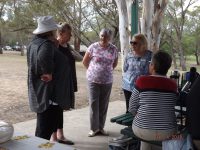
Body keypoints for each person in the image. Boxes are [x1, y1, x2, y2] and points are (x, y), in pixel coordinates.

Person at [129, 51, 178, 150]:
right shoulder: (173, 85)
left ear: (153, 66)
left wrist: (139, 115)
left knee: (146, 132)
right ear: (167, 68)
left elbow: (132, 107)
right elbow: (173, 105)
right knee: (155, 134)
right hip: (167, 132)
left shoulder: (142, 80)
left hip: (142, 130)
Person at [27, 16, 62, 140]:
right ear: (50, 30)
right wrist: (49, 72)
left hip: (37, 89)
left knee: (42, 127)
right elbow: (44, 60)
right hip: (47, 93)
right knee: (44, 130)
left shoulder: (33, 43)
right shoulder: (47, 44)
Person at [50, 23, 82, 145]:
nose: (71, 36)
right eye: (69, 34)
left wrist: (69, 47)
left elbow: (79, 58)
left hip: (68, 82)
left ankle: (60, 135)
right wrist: (58, 43)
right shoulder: (55, 46)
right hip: (58, 84)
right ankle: (53, 137)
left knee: (60, 109)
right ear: (61, 33)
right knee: (54, 110)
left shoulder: (67, 47)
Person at [82, 28, 118, 137]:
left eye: (106, 36)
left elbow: (114, 63)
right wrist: (93, 71)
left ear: (110, 37)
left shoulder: (113, 49)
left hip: (107, 81)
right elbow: (85, 62)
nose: (104, 38)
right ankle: (94, 128)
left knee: (103, 105)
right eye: (102, 35)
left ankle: (101, 127)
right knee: (94, 104)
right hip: (93, 80)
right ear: (100, 36)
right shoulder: (93, 47)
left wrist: (105, 71)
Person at [122, 34, 152, 113]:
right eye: (131, 42)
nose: (132, 45)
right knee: (129, 110)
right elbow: (125, 69)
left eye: (135, 43)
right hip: (127, 86)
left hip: (143, 88)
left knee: (141, 111)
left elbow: (153, 71)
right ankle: (130, 125)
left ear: (142, 44)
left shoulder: (150, 55)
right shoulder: (129, 55)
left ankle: (138, 125)